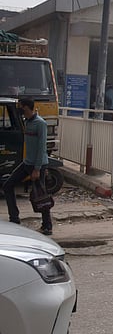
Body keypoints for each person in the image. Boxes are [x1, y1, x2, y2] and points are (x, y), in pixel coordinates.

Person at [2, 98, 53, 235]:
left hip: (37, 165)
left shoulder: (40, 123)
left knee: (40, 195)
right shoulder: (27, 122)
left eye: (21, 107)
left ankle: (47, 226)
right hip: (26, 163)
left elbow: (41, 147)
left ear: (27, 107)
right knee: (7, 185)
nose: (20, 109)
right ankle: (14, 218)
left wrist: (37, 169)